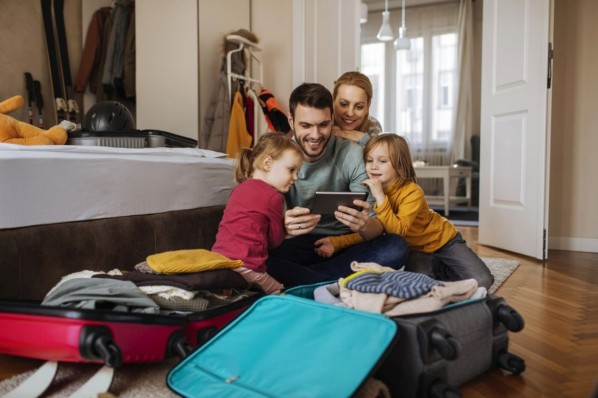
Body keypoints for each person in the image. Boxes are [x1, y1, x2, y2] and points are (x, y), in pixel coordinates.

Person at [264, 83, 408, 288]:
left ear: (332, 120)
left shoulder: (352, 155)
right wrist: (283, 229)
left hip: (345, 245)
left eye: (323, 125)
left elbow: (376, 229)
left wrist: (366, 225)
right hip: (296, 244)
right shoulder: (276, 157)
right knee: (257, 255)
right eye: (305, 126)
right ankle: (335, 282)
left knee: (396, 247)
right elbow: (259, 224)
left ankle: (306, 282)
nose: (315, 135)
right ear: (291, 121)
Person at [315, 134, 494, 289]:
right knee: (419, 286)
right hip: (415, 250)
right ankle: (438, 268)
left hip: (444, 241)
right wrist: (337, 242)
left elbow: (396, 232)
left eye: (382, 161)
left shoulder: (412, 192)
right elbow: (372, 231)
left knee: (483, 281)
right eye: (369, 160)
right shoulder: (372, 193)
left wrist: (381, 198)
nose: (373, 166)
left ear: (399, 167)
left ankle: (444, 266)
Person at [211, 133, 303, 294]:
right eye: (291, 170)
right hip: (247, 266)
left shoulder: (238, 189)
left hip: (219, 260)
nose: (295, 177)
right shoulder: (273, 197)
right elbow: (274, 242)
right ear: (267, 163)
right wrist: (286, 230)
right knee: (281, 293)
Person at [331, 71, 382, 147]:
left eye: (359, 107)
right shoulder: (320, 122)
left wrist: (364, 140)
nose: (350, 113)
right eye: (344, 104)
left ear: (368, 106)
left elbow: (378, 154)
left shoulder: (373, 126)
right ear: (333, 100)